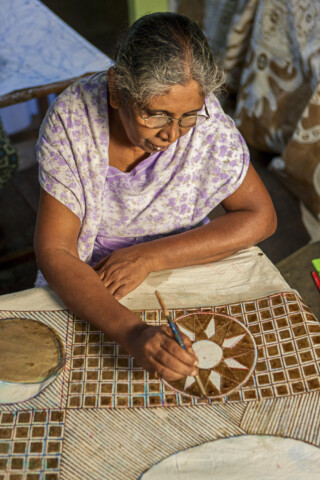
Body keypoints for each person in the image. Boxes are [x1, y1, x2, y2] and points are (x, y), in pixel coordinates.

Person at [34, 12, 277, 382]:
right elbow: (56, 251)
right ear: (116, 90)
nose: (172, 134)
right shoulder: (74, 118)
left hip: (181, 258)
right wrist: (133, 333)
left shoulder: (207, 123)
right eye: (156, 115)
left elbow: (260, 216)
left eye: (187, 117)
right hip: (90, 279)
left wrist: (148, 256)